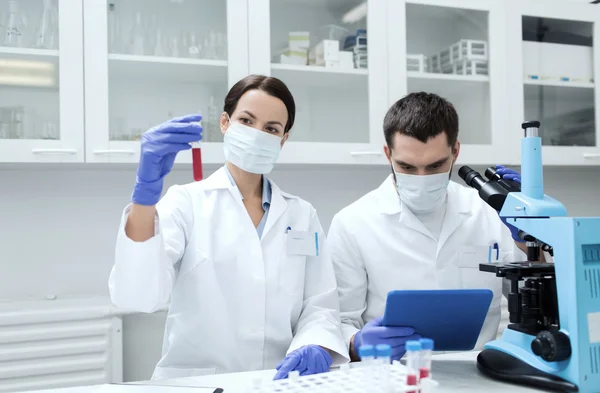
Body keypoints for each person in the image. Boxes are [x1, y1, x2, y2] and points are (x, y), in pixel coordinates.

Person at [109, 75, 348, 380]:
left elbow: (320, 305)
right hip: (199, 383)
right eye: (246, 121)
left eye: (271, 128)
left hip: (280, 380)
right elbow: (138, 295)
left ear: (283, 139)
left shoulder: (302, 214)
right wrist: (144, 197)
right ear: (225, 122)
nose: (257, 134)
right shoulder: (186, 202)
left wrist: (315, 344)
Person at [328, 92, 530, 361]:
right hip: (392, 376)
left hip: (478, 374)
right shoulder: (352, 222)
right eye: (407, 167)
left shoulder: (490, 211)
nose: (422, 179)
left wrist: (531, 240)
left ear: (455, 151)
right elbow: (336, 321)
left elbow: (534, 304)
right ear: (388, 154)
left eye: (435, 166)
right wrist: (355, 342)